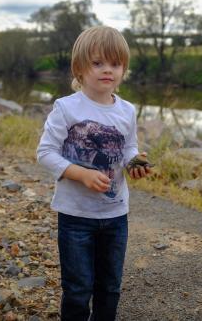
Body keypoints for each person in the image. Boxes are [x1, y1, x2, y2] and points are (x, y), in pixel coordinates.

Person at [36, 25, 151, 321]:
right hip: (76, 217)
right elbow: (45, 153)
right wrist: (79, 173)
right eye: (98, 63)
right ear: (79, 68)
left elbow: (127, 148)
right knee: (77, 289)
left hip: (115, 215)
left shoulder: (127, 110)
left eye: (115, 63)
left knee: (110, 287)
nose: (107, 70)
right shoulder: (66, 108)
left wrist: (134, 162)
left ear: (123, 68)